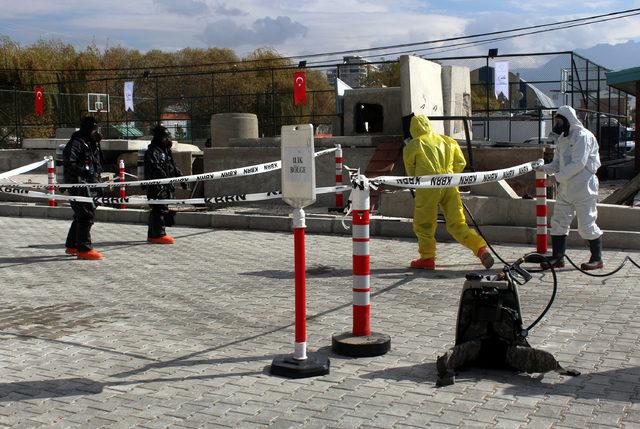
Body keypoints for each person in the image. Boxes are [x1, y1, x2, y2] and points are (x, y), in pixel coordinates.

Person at [403, 114, 494, 270]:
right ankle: (480, 249)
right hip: (450, 185)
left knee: (424, 224)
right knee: (458, 224)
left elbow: (411, 174)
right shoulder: (448, 141)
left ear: (413, 129)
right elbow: (461, 162)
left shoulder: (413, 145)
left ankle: (427, 258)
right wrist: (450, 176)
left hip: (427, 187)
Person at [537, 105, 603, 270]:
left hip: (584, 188)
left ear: (568, 120)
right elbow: (558, 163)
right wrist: (544, 168)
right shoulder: (562, 139)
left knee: (586, 224)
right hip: (566, 188)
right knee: (558, 222)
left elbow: (578, 164)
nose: (557, 124)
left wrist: (555, 179)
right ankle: (558, 258)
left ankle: (597, 259)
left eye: (559, 120)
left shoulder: (583, 136)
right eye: (556, 120)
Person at [63, 116, 105, 260]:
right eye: (94, 129)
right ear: (87, 129)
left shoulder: (90, 143)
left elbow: (97, 162)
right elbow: (70, 162)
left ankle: (72, 245)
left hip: (90, 183)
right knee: (86, 215)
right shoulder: (76, 143)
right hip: (78, 183)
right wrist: (83, 171)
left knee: (82, 214)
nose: (96, 132)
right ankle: (84, 248)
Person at [144, 125, 186, 244]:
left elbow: (172, 166)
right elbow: (156, 168)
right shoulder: (153, 151)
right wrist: (165, 180)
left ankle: (154, 234)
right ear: (159, 137)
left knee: (160, 209)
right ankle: (158, 234)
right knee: (159, 209)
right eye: (165, 137)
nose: (168, 140)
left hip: (165, 185)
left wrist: (181, 178)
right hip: (157, 186)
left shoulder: (165, 151)